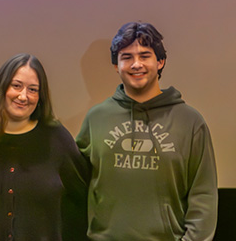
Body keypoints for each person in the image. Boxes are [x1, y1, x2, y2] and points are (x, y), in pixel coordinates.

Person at [76, 22, 218, 241]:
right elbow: (76, 188)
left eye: (145, 56)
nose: (136, 64)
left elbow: (204, 197)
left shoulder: (190, 122)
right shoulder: (96, 119)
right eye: (126, 57)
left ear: (160, 62)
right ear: (116, 65)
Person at [0, 53, 89, 241]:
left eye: (33, 89)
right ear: (1, 86)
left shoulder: (57, 139)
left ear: (41, 96)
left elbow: (80, 202)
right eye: (16, 86)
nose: (23, 96)